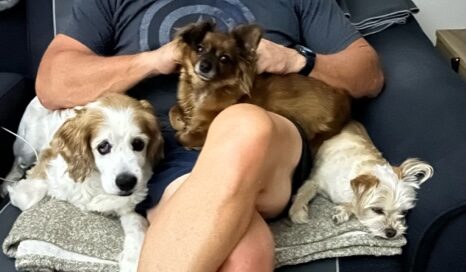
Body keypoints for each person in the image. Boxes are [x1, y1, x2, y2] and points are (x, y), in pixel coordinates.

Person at [35, 0, 384, 271]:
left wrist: (296, 60)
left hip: (270, 144)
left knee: (244, 124)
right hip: (171, 149)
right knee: (244, 255)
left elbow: (368, 76)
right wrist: (153, 61)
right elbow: (53, 83)